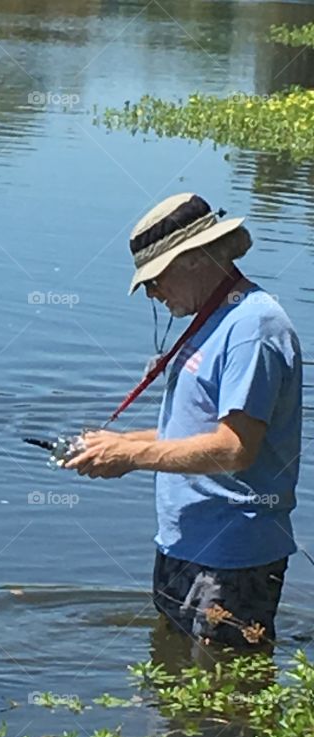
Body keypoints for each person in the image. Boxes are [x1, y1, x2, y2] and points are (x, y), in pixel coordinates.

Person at [65, 193, 302, 647]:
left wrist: (132, 455)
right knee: (174, 688)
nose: (152, 293)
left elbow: (236, 448)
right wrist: (116, 443)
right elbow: (197, 432)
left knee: (223, 702)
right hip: (184, 544)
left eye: (155, 279)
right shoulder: (213, 319)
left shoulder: (253, 328)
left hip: (231, 555)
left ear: (194, 259)